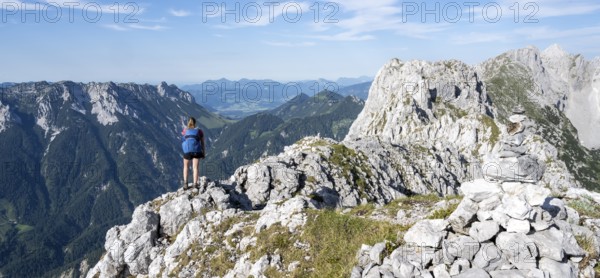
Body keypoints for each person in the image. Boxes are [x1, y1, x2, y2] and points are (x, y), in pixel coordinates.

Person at [181, 116, 205, 189]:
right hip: (196, 151)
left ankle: (185, 184)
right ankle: (195, 184)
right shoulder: (199, 131)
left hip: (187, 151)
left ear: (188, 122)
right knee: (195, 168)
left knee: (186, 167)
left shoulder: (185, 131)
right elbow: (202, 143)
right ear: (195, 123)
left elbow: (183, 140)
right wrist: (203, 153)